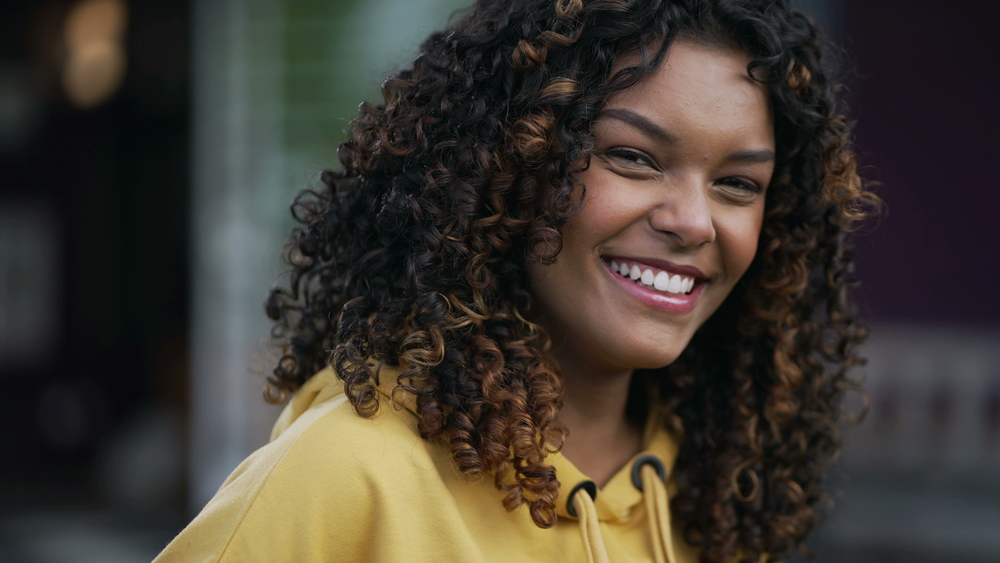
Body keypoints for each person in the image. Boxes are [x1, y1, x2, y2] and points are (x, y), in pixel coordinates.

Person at [155, 0, 879, 561]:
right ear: (510, 162)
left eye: (737, 183)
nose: (694, 220)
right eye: (633, 157)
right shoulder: (345, 478)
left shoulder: (717, 500)